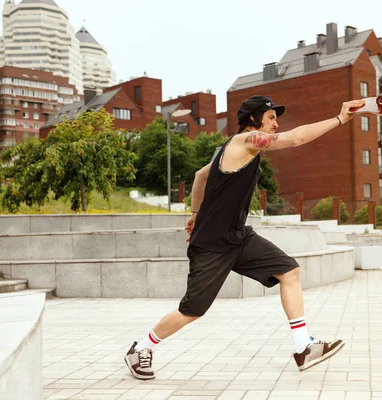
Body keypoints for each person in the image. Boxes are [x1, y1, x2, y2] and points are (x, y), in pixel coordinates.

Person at [124, 95, 366, 380]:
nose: (276, 123)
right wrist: (339, 119)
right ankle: (141, 348)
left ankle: (303, 347)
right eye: (271, 117)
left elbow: (201, 176)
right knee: (193, 310)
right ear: (254, 119)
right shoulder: (245, 141)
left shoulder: (236, 148)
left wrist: (194, 214)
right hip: (213, 245)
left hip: (238, 238)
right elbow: (295, 138)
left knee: (289, 271)